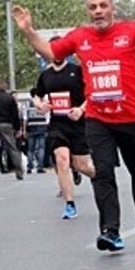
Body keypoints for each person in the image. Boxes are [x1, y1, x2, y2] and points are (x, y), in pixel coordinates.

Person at [13, 0, 135, 253]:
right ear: (88, 11)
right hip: (97, 118)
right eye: (93, 7)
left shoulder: (132, 31)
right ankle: (110, 231)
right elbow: (49, 52)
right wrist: (28, 30)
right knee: (103, 172)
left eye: (103, 6)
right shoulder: (80, 36)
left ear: (112, 8)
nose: (98, 11)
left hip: (131, 117)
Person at [31, 53, 95, 219]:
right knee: (62, 159)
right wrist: (41, 105)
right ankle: (69, 204)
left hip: (78, 123)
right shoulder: (46, 75)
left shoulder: (77, 70)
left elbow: (91, 93)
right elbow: (36, 96)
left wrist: (81, 109)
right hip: (57, 124)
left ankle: (101, 177)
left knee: (81, 165)